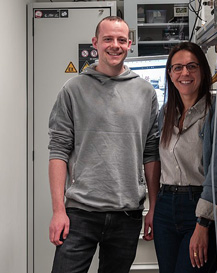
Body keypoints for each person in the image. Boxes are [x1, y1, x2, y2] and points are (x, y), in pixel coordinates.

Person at [47, 16, 160, 273]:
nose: (115, 45)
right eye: (108, 39)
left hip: (127, 213)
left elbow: (150, 154)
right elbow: (58, 151)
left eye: (121, 39)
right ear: (95, 43)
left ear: (129, 44)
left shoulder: (145, 92)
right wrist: (58, 211)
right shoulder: (73, 89)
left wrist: (153, 207)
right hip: (80, 213)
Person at [153, 42, 217, 273]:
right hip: (165, 208)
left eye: (192, 66)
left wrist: (203, 223)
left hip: (200, 207)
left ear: (203, 71)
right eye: (178, 67)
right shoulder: (165, 114)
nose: (185, 73)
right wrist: (152, 208)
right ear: (170, 74)